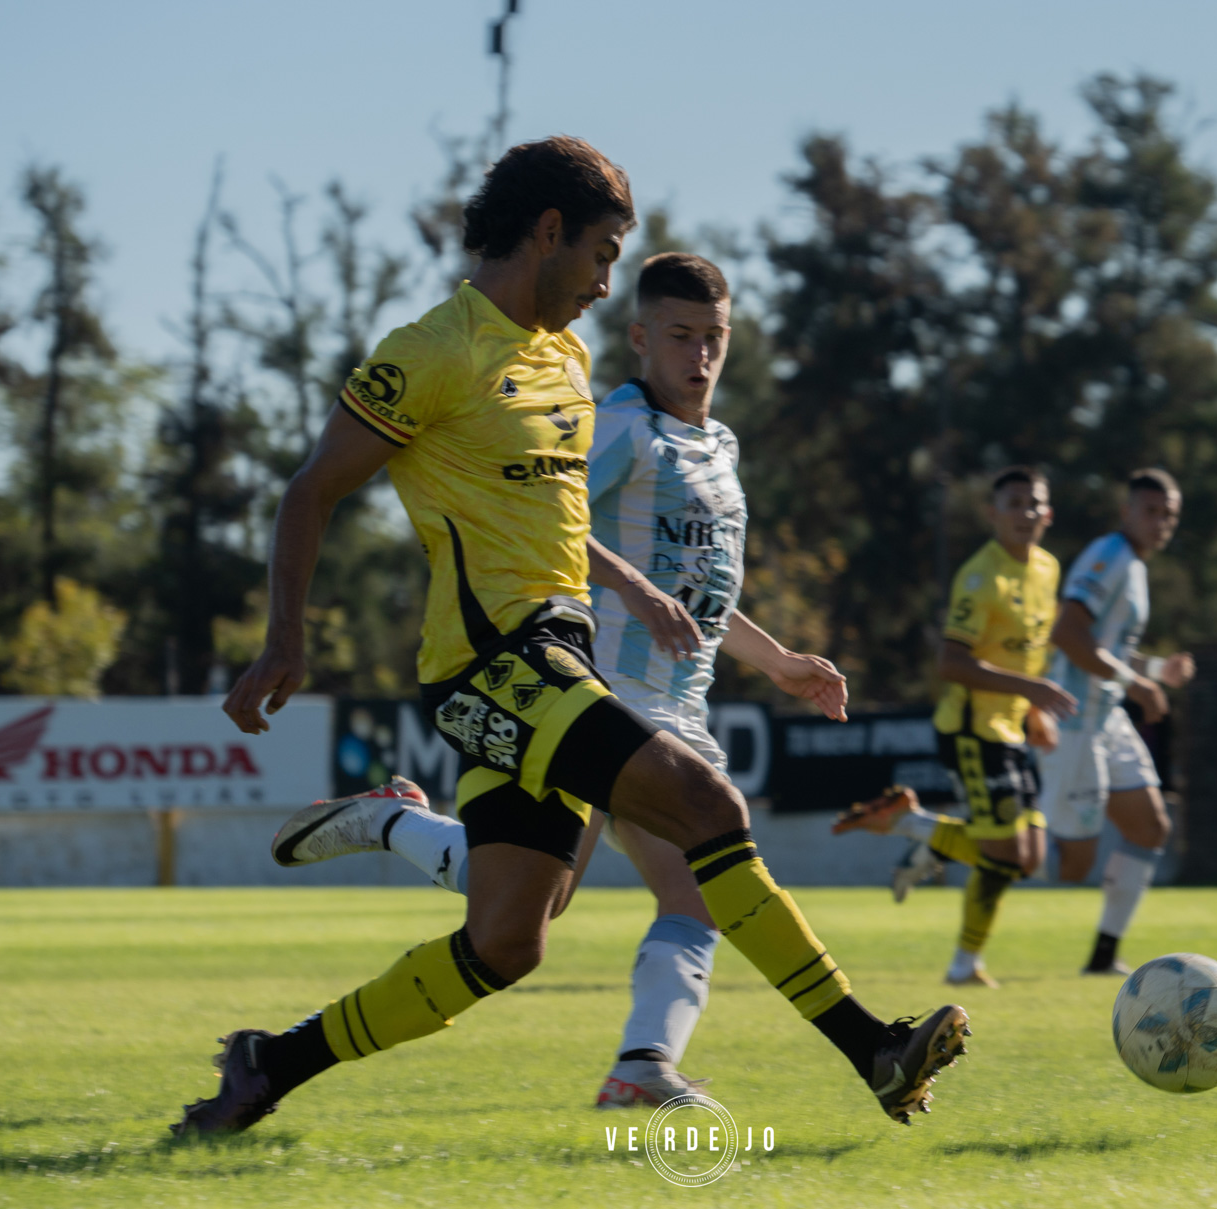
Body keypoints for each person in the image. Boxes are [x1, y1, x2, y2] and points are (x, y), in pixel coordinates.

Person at [173, 137, 966, 1137]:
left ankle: (267, 1065)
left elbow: (565, 530)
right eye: (601, 253)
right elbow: (311, 489)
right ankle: (873, 1047)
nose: (604, 281)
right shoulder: (433, 351)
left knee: (508, 944)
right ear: (546, 232)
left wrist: (655, 604)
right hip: (492, 666)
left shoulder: (565, 356)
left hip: (558, 660)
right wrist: (283, 636)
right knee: (706, 803)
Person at [269, 251, 855, 1111]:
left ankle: (394, 822)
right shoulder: (619, 425)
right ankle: (647, 1065)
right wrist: (631, 587)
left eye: (715, 338)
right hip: (596, 686)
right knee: (691, 876)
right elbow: (555, 518)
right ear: (641, 338)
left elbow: (705, 590)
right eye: (682, 336)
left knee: (524, 910)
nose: (700, 356)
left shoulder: (717, 444)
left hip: (677, 702)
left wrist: (779, 662)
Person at [831, 468, 1076, 987]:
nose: (1024, 513)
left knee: (1027, 857)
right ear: (993, 514)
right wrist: (1031, 693)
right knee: (1003, 855)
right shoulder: (979, 576)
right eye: (1013, 503)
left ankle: (918, 829)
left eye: (1034, 504)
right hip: (972, 731)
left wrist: (1032, 712)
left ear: (1048, 514)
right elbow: (950, 662)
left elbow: (1029, 653)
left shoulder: (1048, 568)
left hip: (1011, 727)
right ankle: (962, 960)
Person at [1041, 469, 1196, 975]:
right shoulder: (1109, 556)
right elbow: (1068, 633)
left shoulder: (1135, 567)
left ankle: (1104, 957)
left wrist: (1155, 671)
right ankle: (931, 836)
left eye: (1168, 514)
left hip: (1105, 718)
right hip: (1072, 719)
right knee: (1071, 867)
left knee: (1151, 827)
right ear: (1126, 511)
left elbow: (1108, 649)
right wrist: (1137, 683)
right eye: (1150, 511)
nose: (1160, 522)